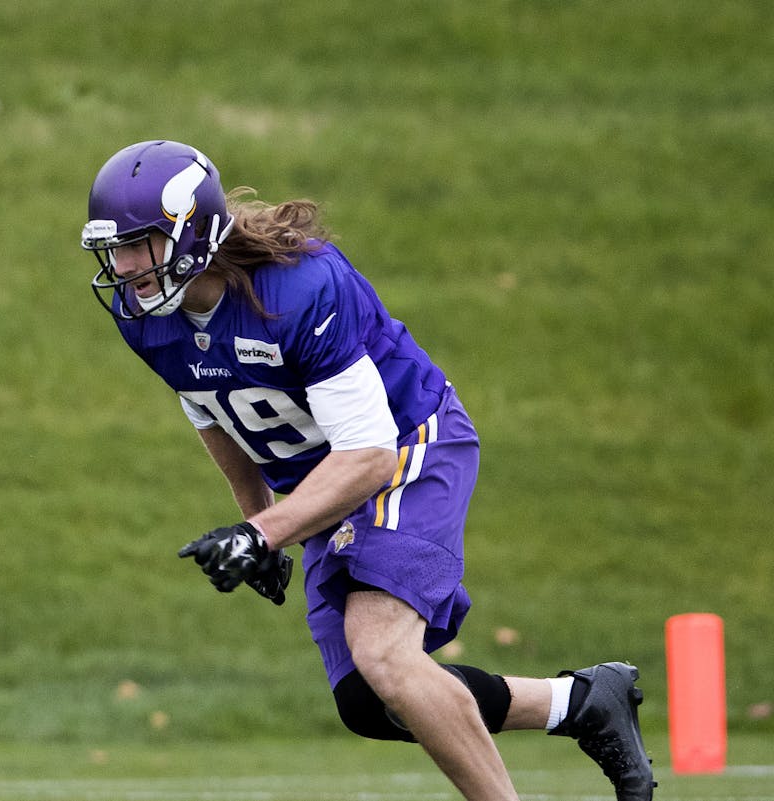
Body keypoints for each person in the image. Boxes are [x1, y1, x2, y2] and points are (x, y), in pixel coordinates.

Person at [79, 140, 655, 801]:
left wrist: (264, 534)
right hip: (335, 474)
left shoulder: (299, 289)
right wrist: (257, 518)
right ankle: (580, 701)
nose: (123, 267)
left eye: (139, 244)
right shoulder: (144, 317)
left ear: (190, 231)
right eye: (114, 248)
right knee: (367, 697)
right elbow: (212, 407)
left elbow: (371, 453)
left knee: (383, 653)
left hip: (408, 446)